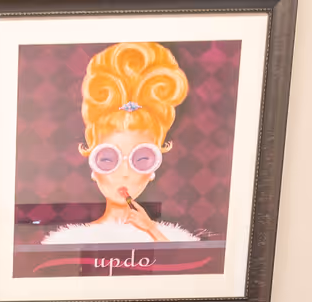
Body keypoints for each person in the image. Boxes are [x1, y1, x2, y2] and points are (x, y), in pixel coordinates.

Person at [42, 42, 197, 246]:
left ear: (153, 169)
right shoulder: (68, 242)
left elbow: (181, 263)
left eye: (141, 159)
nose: (124, 173)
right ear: (93, 166)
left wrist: (151, 230)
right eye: (108, 159)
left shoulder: (174, 240)